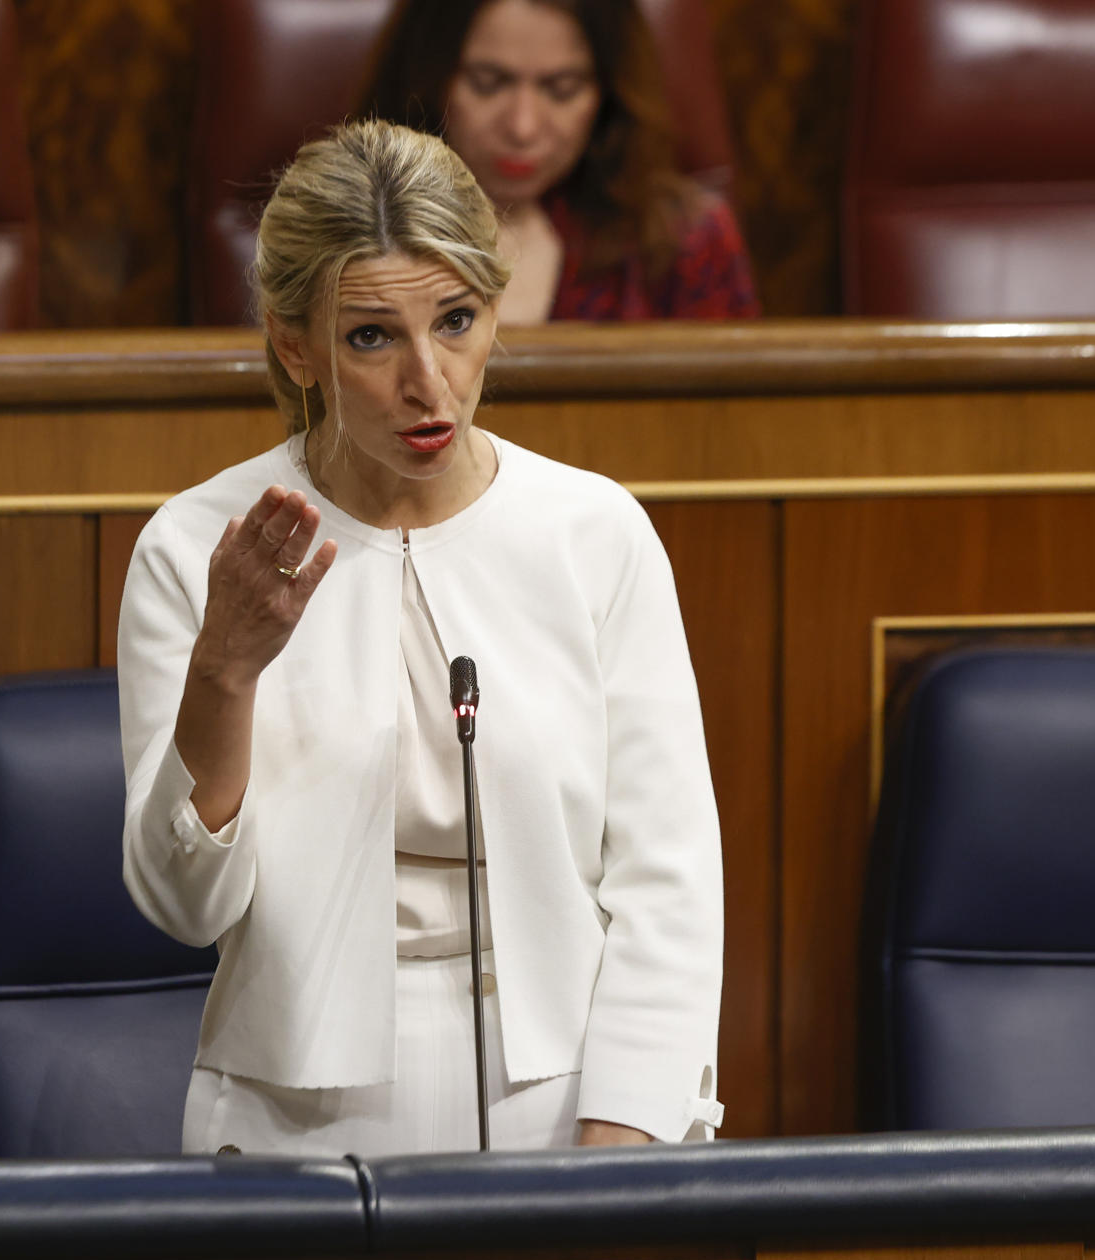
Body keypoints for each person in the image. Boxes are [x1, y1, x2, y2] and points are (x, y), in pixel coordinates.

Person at [118, 119, 724, 1156]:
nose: (428, 383)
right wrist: (224, 668)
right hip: (291, 1108)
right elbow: (184, 903)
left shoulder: (595, 531)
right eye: (371, 336)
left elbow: (669, 874)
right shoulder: (198, 548)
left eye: (455, 320)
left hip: (572, 1088)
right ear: (293, 342)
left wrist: (625, 1132)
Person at [360, 0, 759, 325]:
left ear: (608, 93)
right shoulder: (338, 231)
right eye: (488, 82)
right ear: (425, 77)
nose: (523, 127)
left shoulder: (688, 241)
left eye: (562, 89)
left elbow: (728, 419)